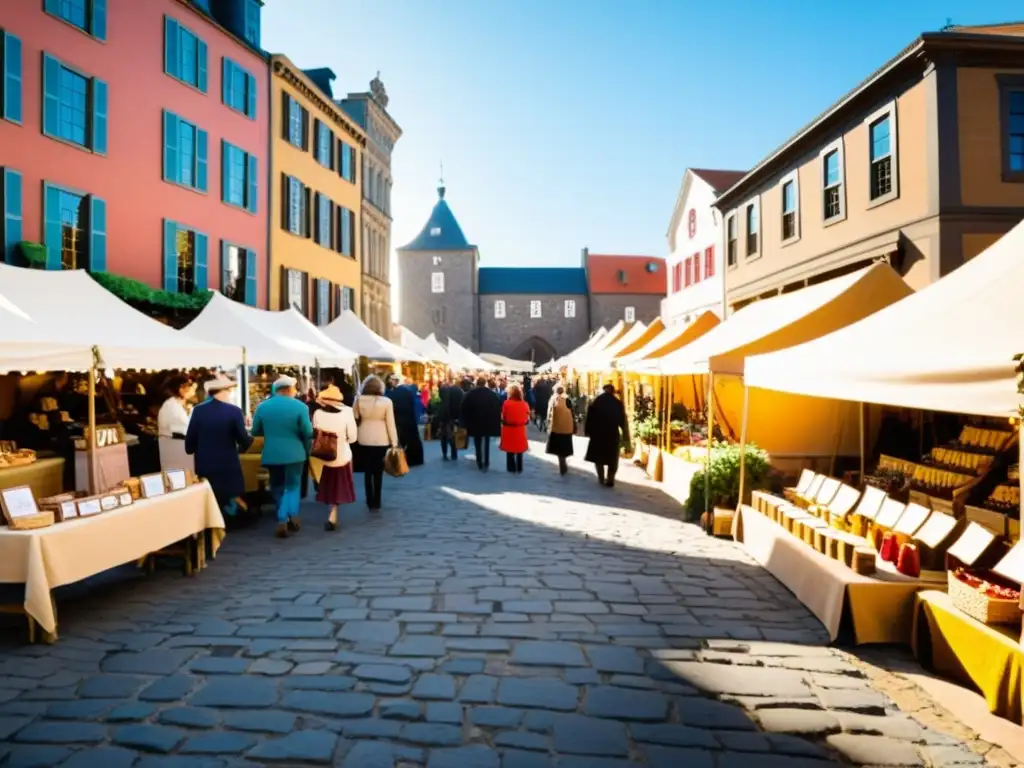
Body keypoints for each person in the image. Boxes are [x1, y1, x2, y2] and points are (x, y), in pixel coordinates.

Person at [251, 375, 313, 538]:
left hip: (272, 453)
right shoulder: (301, 407)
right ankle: (290, 515)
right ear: (290, 389)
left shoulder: (263, 407)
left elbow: (255, 431)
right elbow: (308, 432)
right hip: (295, 453)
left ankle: (282, 517)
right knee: (292, 486)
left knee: (277, 486)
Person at [185, 375, 252, 518]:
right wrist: (246, 445)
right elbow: (243, 438)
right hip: (228, 463)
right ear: (222, 391)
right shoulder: (234, 411)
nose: (230, 394)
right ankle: (228, 519)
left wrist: (192, 450)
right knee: (229, 493)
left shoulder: (198, 411)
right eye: (229, 390)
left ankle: (213, 523)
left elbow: (190, 441)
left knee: (210, 495)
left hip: (204, 463)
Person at [310, 384, 358, 532]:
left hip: (322, 456)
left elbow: (315, 432)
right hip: (342, 454)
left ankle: (332, 512)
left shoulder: (318, 413)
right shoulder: (348, 412)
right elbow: (353, 438)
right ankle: (333, 513)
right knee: (339, 485)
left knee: (328, 484)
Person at [352, 375, 398, 510]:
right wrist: (394, 442)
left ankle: (369, 499)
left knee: (367, 470)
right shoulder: (387, 402)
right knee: (378, 470)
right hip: (381, 438)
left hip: (363, 437)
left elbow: (355, 417)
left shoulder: (359, 400)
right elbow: (390, 423)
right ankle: (377, 500)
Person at [584, 383, 629, 488]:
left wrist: (588, 431)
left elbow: (589, 417)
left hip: (597, 434)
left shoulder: (596, 401)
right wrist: (625, 436)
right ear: (613, 391)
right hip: (612, 434)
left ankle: (601, 478)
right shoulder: (617, 403)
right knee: (612, 458)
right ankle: (610, 478)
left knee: (599, 458)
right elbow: (622, 420)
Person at [460, 376, 501, 472]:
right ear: (485, 383)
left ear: (477, 383)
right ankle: (486, 461)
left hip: (475, 422)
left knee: (477, 441)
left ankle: (479, 460)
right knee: (486, 441)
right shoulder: (492, 394)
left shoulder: (471, 394)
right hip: (488, 422)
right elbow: (498, 407)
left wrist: (464, 422)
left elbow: (464, 408)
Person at [158, 375, 196, 473]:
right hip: (175, 450)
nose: (193, 389)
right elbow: (185, 429)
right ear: (181, 389)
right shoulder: (171, 406)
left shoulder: (179, 404)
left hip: (180, 449)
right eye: (190, 386)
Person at [387, 376, 425, 467]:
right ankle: (415, 459)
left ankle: (400, 461)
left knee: (401, 441)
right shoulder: (408, 391)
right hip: (410, 419)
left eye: (392, 380)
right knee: (412, 439)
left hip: (399, 420)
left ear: (395, 381)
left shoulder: (394, 393)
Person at [500, 383, 530, 474]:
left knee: (510, 449)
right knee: (519, 448)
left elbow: (503, 416)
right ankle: (519, 467)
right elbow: (527, 416)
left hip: (509, 428)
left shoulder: (506, 403)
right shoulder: (524, 404)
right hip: (520, 428)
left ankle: (511, 467)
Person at [546, 385, 575, 475]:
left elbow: (549, 414)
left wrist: (548, 426)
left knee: (559, 449)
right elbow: (572, 413)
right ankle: (563, 463)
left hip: (557, 428)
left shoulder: (554, 399)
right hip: (567, 428)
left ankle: (562, 465)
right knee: (564, 447)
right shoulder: (568, 399)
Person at [437, 376, 464, 461]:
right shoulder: (459, 390)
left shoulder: (443, 389)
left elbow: (443, 404)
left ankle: (445, 453)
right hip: (454, 416)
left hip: (445, 416)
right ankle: (454, 454)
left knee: (444, 436)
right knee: (452, 435)